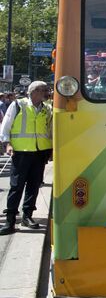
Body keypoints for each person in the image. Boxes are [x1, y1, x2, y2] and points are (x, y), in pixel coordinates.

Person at [0, 81, 53, 235]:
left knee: (34, 185)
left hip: (40, 152)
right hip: (21, 151)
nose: (46, 92)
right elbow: (6, 125)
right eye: (43, 90)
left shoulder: (47, 108)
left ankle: (27, 216)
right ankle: (10, 220)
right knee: (16, 186)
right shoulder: (18, 105)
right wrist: (7, 144)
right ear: (34, 91)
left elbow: (50, 130)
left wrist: (51, 149)